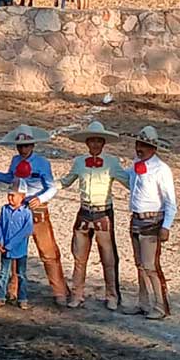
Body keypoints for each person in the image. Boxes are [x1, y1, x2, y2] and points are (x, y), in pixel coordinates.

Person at [0, 124, 69, 307]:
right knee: (14, 250)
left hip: (37, 209)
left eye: (26, 145)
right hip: (18, 210)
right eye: (20, 146)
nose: (23, 149)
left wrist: (41, 198)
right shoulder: (15, 161)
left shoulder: (43, 163)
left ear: (33, 146)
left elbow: (51, 186)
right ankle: (13, 289)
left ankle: (59, 290)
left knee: (48, 251)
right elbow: (9, 178)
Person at [58, 121, 128, 311]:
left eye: (99, 141)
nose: (96, 144)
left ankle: (112, 295)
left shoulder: (112, 162)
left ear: (103, 143)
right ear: (87, 143)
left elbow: (127, 181)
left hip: (103, 211)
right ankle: (77, 294)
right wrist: (47, 189)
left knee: (108, 257)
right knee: (79, 256)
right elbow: (66, 181)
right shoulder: (79, 162)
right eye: (92, 141)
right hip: (84, 210)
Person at [124, 126, 177, 320]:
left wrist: (166, 226)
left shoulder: (162, 169)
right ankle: (144, 303)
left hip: (153, 219)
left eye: (144, 145)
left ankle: (161, 306)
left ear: (153, 148)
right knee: (140, 264)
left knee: (150, 265)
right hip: (137, 218)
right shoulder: (136, 164)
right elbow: (129, 181)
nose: (140, 148)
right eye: (139, 144)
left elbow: (171, 201)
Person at [0, 179, 34, 309]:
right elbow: (0, 226)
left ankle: (22, 298)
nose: (10, 198)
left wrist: (10, 244)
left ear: (22, 196)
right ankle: (0, 296)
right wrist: (0, 241)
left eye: (14, 195)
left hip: (19, 249)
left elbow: (26, 231)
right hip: (5, 248)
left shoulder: (26, 212)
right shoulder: (4, 209)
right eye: (9, 195)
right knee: (3, 274)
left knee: (21, 274)